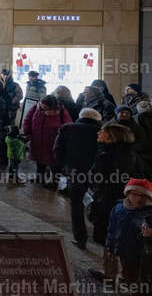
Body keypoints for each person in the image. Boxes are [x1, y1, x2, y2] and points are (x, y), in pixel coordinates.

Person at [105, 179, 152, 296]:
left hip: (143, 259)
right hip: (125, 254)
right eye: (135, 194)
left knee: (142, 287)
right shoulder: (119, 208)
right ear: (128, 193)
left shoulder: (148, 214)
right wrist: (111, 248)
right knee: (131, 282)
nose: (138, 198)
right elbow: (112, 230)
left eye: (143, 196)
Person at [54, 108, 103, 249]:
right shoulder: (101, 130)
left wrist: (65, 166)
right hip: (97, 172)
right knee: (100, 201)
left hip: (74, 171)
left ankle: (80, 238)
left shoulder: (67, 128)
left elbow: (57, 150)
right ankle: (100, 236)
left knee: (76, 203)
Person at [89, 123, 144, 249]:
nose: (99, 133)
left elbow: (100, 182)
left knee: (107, 237)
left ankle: (109, 268)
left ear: (111, 137)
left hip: (107, 203)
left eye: (102, 131)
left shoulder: (104, 157)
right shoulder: (135, 157)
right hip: (129, 203)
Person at [23, 95, 72, 188]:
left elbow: (68, 126)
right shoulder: (35, 108)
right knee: (39, 160)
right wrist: (27, 133)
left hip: (53, 142)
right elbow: (28, 120)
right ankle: (39, 177)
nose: (42, 108)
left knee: (54, 163)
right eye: (41, 105)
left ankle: (54, 182)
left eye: (45, 107)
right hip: (38, 140)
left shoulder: (61, 112)